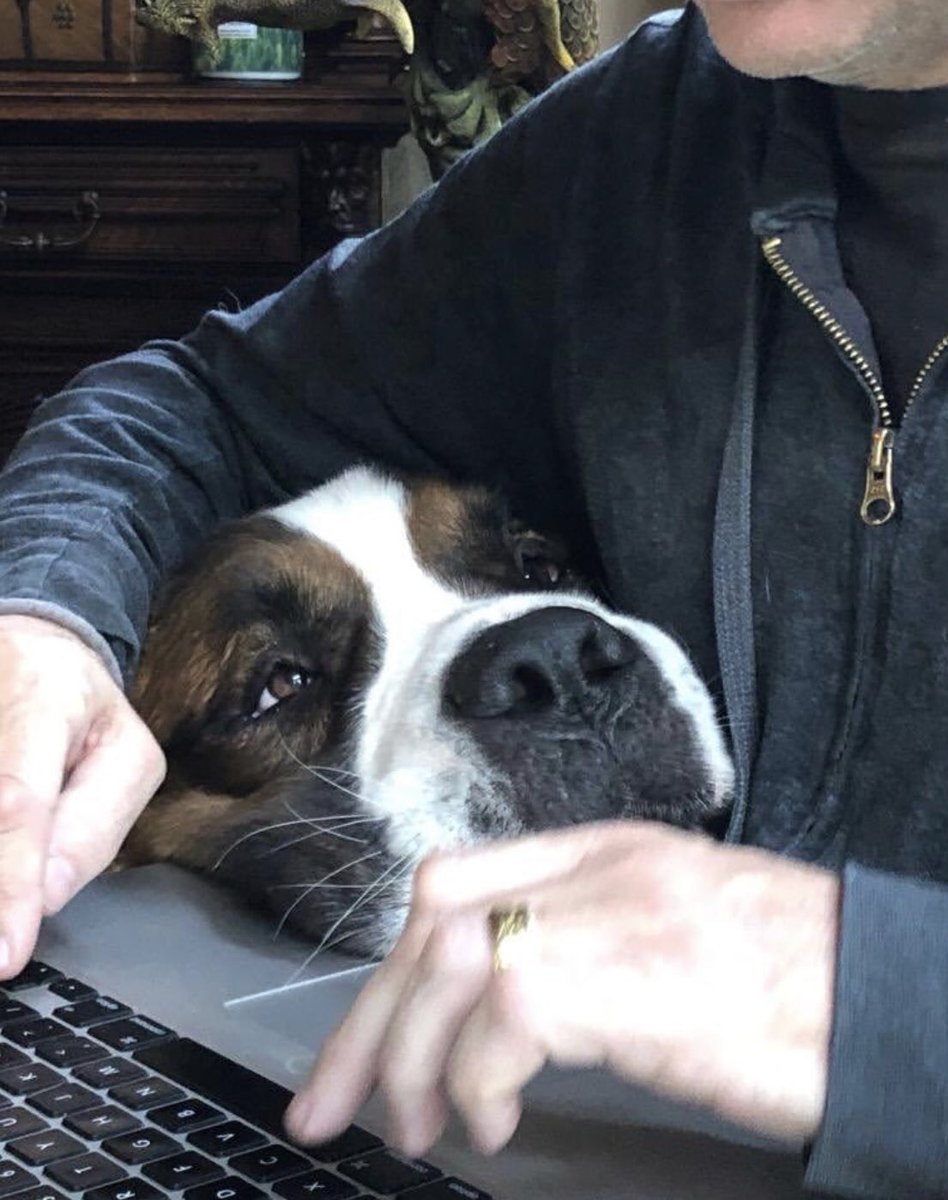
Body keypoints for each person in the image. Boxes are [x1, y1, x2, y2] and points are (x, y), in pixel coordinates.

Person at [0, 0, 946, 1194]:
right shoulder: (654, 134)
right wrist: (44, 618)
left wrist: (876, 1005)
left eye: (539, 574)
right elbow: (195, 398)